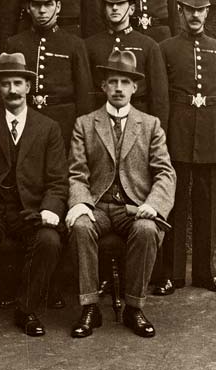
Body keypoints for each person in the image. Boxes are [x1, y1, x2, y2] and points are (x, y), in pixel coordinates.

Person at [0, 53, 68, 339]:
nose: (13, 90)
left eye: (18, 83)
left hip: (30, 211)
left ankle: (27, 309)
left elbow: (58, 180)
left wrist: (51, 208)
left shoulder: (49, 128)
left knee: (49, 240)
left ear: (29, 87)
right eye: (6, 84)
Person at [66, 49, 176, 339]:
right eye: (112, 81)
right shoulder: (85, 123)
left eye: (124, 82)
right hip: (99, 207)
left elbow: (165, 172)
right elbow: (77, 173)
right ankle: (89, 306)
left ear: (134, 87)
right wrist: (80, 203)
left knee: (146, 230)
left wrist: (153, 204)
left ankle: (134, 307)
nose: (118, 88)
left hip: (135, 208)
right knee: (80, 226)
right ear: (103, 86)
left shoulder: (150, 125)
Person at [152, 0, 216, 295]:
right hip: (177, 135)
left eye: (201, 9)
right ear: (180, 10)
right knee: (175, 205)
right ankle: (171, 274)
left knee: (207, 206)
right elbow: (161, 99)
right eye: (189, 9)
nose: (195, 15)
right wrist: (160, 139)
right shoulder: (165, 49)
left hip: (211, 137)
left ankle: (206, 272)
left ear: (208, 12)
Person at [0, 0, 95, 126]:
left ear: (58, 7)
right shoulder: (14, 44)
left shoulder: (75, 44)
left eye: (48, 4)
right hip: (26, 122)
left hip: (63, 122)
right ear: (28, 8)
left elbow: (85, 96)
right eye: (36, 4)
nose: (42, 10)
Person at [83, 0, 171, 120]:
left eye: (120, 3)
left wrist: (156, 137)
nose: (115, 8)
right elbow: (86, 96)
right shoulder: (89, 46)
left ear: (131, 8)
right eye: (110, 4)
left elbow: (159, 100)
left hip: (139, 122)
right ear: (104, 9)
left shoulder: (148, 46)